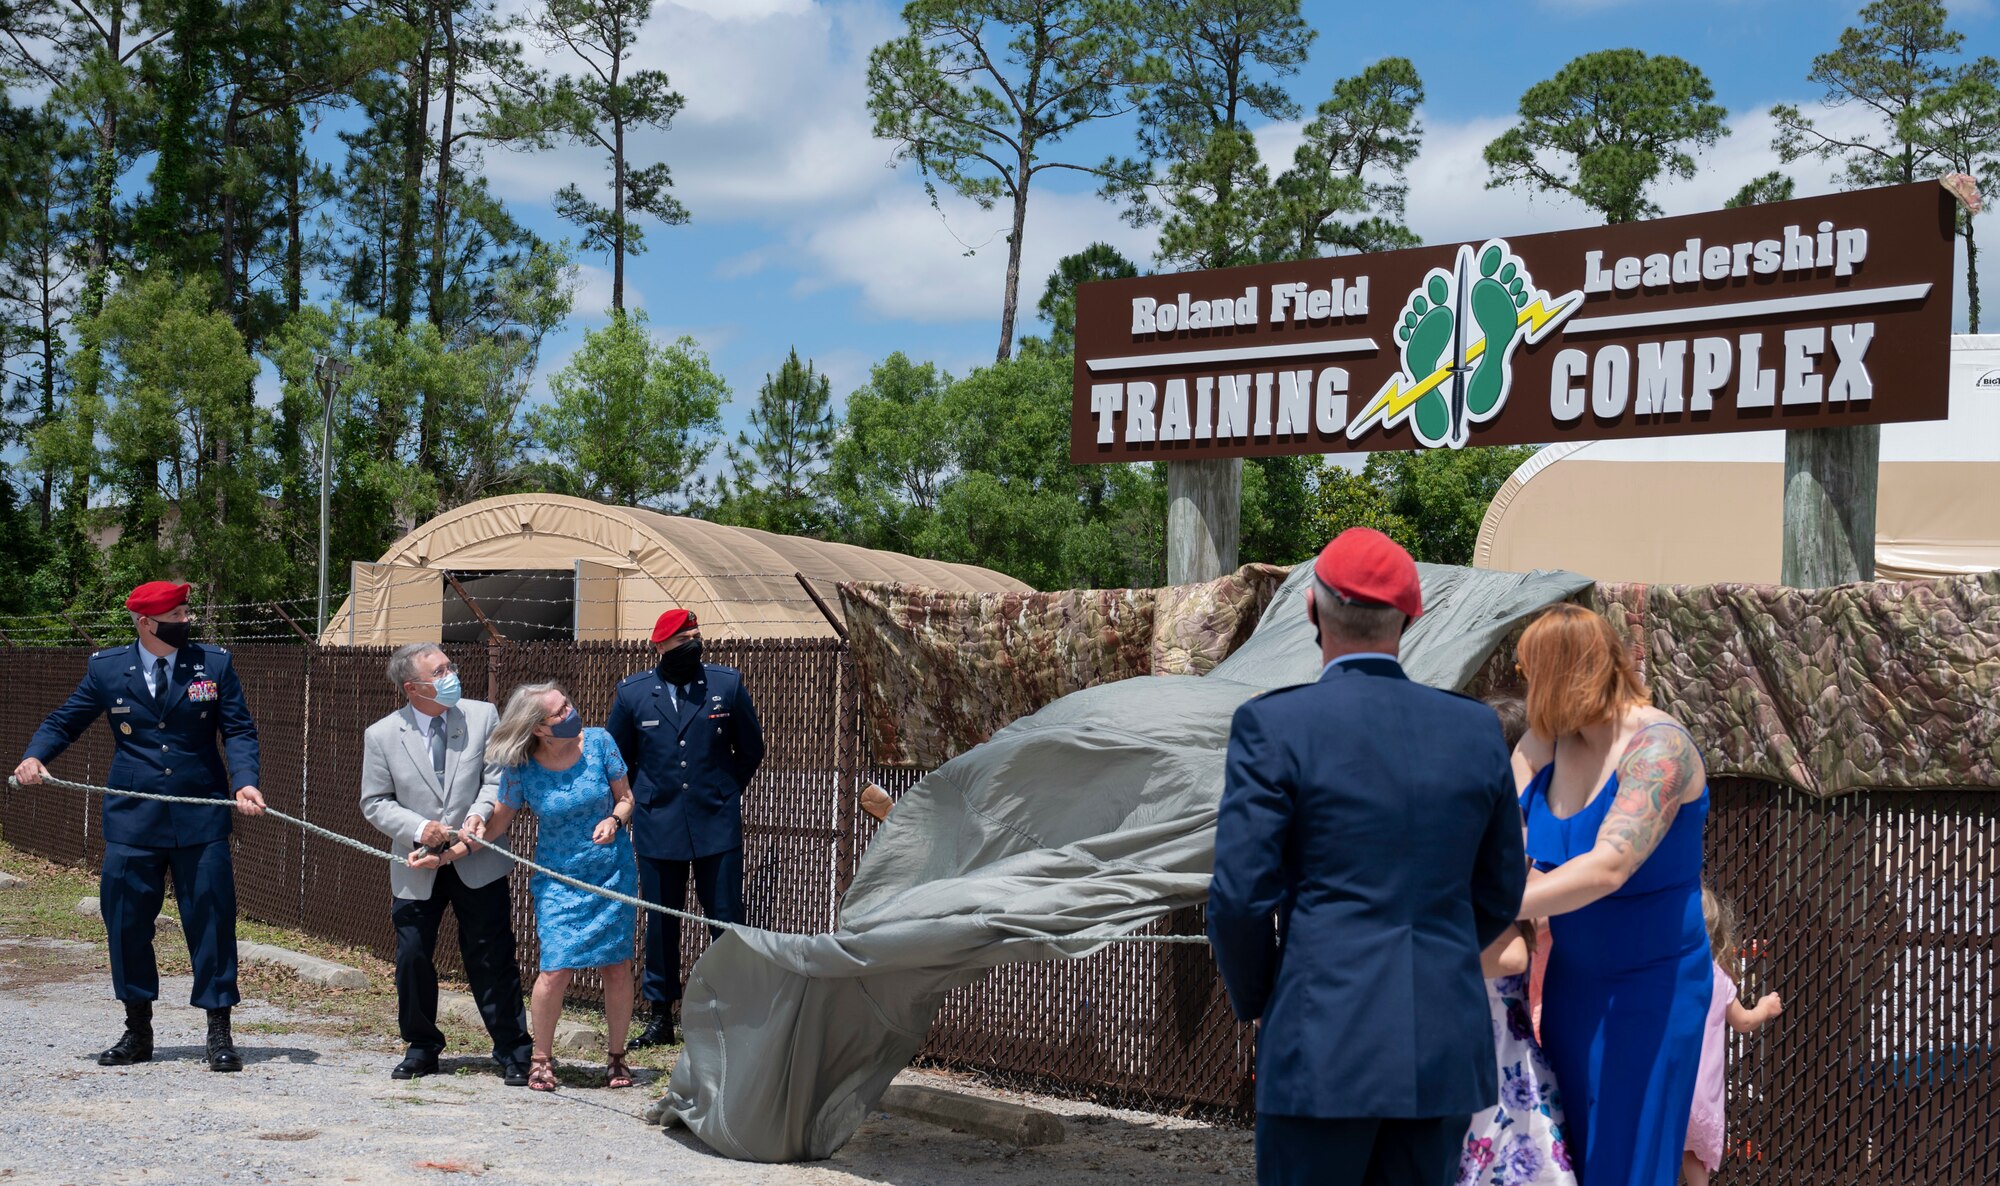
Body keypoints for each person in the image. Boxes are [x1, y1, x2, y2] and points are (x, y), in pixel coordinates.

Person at [1209, 529, 1528, 1186]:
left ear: (1310, 611)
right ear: (1410, 618)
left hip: (1321, 1037)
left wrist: (1270, 993)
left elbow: (1240, 897)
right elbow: (1499, 887)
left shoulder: (1275, 725)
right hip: (1440, 1042)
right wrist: (1436, 959)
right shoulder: (1474, 729)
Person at [13, 581, 263, 1072]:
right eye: (177, 613)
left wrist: (246, 782)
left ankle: (219, 1032)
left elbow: (237, 728)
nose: (186, 621)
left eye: (187, 612)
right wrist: (34, 756)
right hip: (133, 817)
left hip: (201, 814)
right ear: (147, 623)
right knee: (126, 923)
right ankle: (137, 1031)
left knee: (211, 922)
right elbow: (66, 721)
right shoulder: (107, 668)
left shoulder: (213, 664)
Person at [1513, 604, 1712, 1186]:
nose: (1527, 689)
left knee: (1627, 1162)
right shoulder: (1551, 738)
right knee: (1567, 1155)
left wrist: (1493, 902)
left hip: (1651, 990)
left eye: (1531, 673)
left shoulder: (1660, 747)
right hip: (1573, 984)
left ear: (1560, 675)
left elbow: (1609, 867)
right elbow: (1502, 825)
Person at [359, 642, 533, 1086]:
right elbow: (375, 802)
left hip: (478, 860)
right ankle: (421, 1046)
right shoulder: (381, 735)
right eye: (440, 671)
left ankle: (513, 1048)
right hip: (417, 864)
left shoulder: (482, 715)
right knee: (413, 954)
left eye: (449, 666)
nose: (451, 674)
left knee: (491, 953)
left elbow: (497, 777)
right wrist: (421, 828)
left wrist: (479, 814)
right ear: (412, 687)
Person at [605, 609, 764, 1049]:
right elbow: (618, 762)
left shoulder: (724, 684)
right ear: (660, 647)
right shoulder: (634, 694)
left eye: (697, 638)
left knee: (726, 921)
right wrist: (636, 801)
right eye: (683, 641)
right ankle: (660, 1016)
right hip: (659, 825)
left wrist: (723, 790)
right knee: (660, 923)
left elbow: (751, 748)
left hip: (716, 823)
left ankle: (733, 1016)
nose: (693, 646)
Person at [472, 682, 637, 1092]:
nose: (570, 713)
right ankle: (541, 1060)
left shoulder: (600, 742)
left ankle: (617, 1057)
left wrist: (614, 820)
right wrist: (465, 839)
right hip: (558, 880)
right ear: (538, 729)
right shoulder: (521, 767)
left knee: (616, 966)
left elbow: (627, 798)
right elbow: (499, 822)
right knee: (554, 969)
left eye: (567, 705)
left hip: (611, 873)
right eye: (559, 713)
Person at [1455, 697, 1575, 1186]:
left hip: (1494, 1036)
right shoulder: (1519, 831)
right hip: (1494, 1037)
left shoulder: (1506, 832)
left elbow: (1511, 949)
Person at [1683, 887, 1782, 1186]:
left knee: (1662, 1142)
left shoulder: (1669, 972)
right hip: (1702, 1094)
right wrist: (1764, 1008)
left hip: (1671, 1082)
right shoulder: (1718, 977)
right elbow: (1743, 1021)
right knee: (1693, 1154)